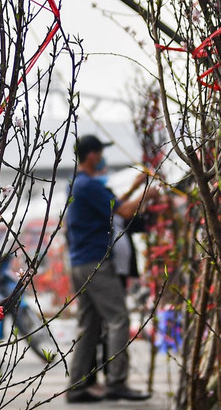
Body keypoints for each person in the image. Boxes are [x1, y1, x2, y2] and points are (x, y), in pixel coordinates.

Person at [64, 135, 151, 403]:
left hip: (80, 263)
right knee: (118, 319)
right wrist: (147, 194)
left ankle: (77, 387)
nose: (103, 158)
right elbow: (123, 211)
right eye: (100, 152)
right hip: (97, 263)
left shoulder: (77, 185)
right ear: (92, 155)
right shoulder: (89, 185)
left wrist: (135, 187)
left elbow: (112, 206)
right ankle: (117, 382)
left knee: (88, 325)